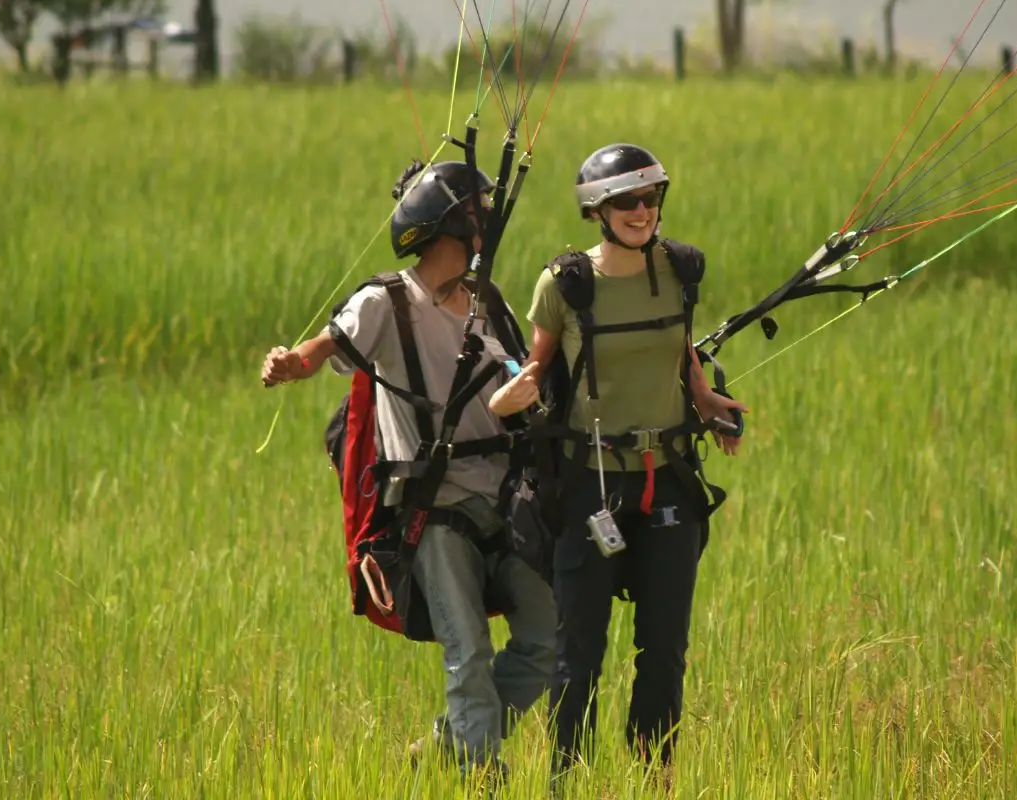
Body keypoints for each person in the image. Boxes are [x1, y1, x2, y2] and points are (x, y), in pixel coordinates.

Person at [260, 159, 556, 784]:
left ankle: (449, 742)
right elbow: (323, 350)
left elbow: (524, 376)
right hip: (436, 511)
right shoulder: (385, 302)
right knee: (468, 650)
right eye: (477, 212)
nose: (488, 223)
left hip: (504, 502)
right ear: (449, 224)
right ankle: (481, 773)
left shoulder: (491, 301)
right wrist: (291, 362)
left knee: (547, 638)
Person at [487, 143, 748, 785]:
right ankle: (565, 780)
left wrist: (708, 400)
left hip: (668, 482)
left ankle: (651, 776)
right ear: (597, 211)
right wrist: (505, 399)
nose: (642, 210)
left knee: (663, 652)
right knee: (579, 655)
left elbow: (680, 352)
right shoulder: (568, 283)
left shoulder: (680, 269)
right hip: (590, 490)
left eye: (650, 197)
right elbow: (537, 370)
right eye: (626, 201)